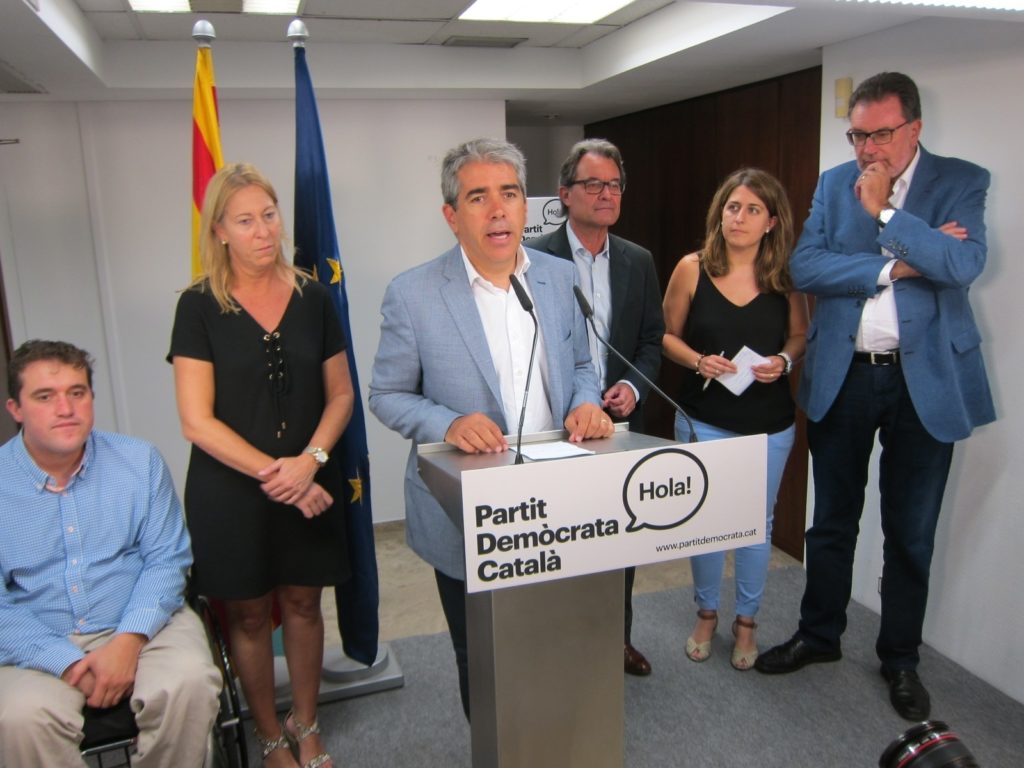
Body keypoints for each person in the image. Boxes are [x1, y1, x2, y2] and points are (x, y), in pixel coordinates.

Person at [754, 73, 995, 722]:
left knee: (910, 532)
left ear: (914, 128)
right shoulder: (835, 182)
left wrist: (886, 213)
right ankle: (819, 634)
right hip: (847, 373)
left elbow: (962, 266)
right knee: (831, 520)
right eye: (857, 135)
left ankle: (901, 658)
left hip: (926, 382)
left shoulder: (962, 180)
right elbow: (805, 267)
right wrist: (900, 263)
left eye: (880, 134)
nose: (866, 149)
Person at [368, 137, 612, 718]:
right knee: (483, 658)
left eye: (509, 194)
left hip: (563, 498)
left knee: (559, 641)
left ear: (526, 206)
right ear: (452, 215)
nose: (498, 210)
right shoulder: (413, 293)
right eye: (478, 197)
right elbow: (386, 394)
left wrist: (585, 402)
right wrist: (449, 422)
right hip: (467, 510)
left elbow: (583, 364)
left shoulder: (558, 277)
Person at [169, 163, 355, 768]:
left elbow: (341, 395)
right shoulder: (197, 306)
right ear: (219, 230)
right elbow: (196, 422)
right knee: (248, 615)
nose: (263, 231)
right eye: (245, 220)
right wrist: (283, 477)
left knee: (304, 604)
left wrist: (311, 462)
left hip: (311, 477)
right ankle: (271, 736)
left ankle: (306, 723)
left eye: (269, 215)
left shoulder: (313, 297)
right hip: (232, 492)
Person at [0, 340, 221, 767]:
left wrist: (128, 640)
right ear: (16, 409)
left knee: (189, 682)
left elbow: (166, 560)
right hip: (37, 637)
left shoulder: (139, 461)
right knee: (20, 718)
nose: (66, 409)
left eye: (77, 392)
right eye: (45, 397)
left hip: (143, 620)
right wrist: (66, 662)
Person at [662, 169, 808, 670]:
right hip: (702, 420)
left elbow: (799, 337)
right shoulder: (692, 268)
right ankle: (706, 612)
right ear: (719, 213)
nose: (739, 218)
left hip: (769, 424)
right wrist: (698, 361)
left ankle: (747, 620)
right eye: (732, 207)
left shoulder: (784, 276)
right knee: (704, 521)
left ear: (771, 222)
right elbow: (665, 335)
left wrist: (783, 361)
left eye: (752, 210)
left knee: (755, 525)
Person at [529, 138, 664, 677]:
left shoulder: (638, 260)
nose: (607, 194)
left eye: (614, 185)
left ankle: (616, 639)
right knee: (557, 538)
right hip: (555, 426)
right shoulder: (533, 256)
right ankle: (557, 647)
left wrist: (634, 386)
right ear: (565, 194)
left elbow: (651, 341)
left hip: (620, 425)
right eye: (593, 184)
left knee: (619, 538)